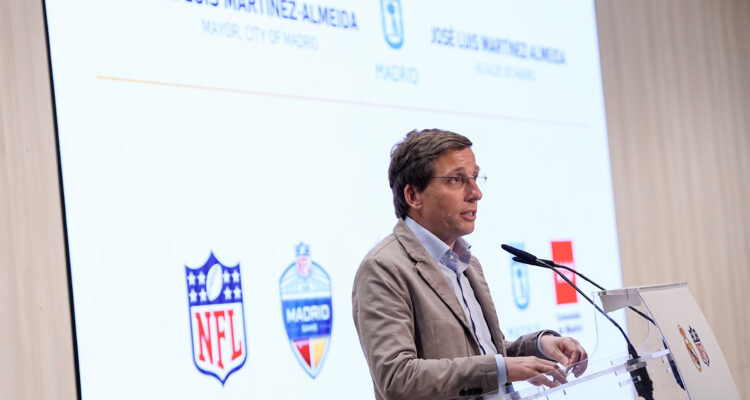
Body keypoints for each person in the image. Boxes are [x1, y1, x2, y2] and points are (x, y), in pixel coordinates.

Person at [351, 129, 587, 400]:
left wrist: (540, 347)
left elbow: (485, 355)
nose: (476, 193)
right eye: (456, 180)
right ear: (413, 195)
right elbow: (397, 378)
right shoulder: (384, 268)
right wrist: (501, 368)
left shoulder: (467, 263)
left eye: (475, 178)